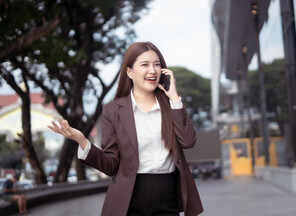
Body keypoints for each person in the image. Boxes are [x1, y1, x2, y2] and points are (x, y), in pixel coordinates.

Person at [48, 42, 203, 216]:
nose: (152, 70)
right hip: (129, 202)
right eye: (145, 65)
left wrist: (174, 97)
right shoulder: (113, 111)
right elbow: (111, 166)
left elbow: (188, 141)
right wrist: (82, 141)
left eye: (157, 64)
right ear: (129, 72)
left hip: (167, 200)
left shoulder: (172, 106)